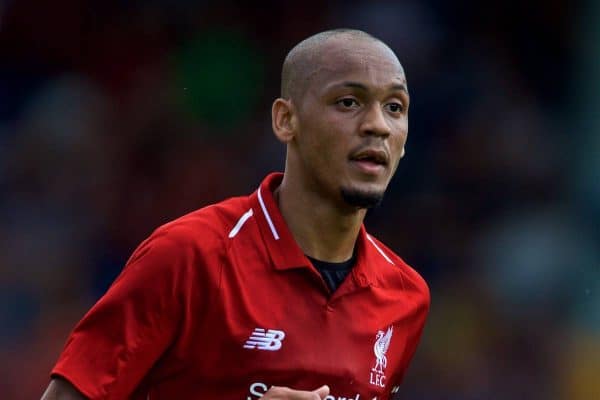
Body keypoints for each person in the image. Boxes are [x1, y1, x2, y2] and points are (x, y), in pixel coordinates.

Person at [41, 28, 429, 400]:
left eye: (395, 107)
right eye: (348, 102)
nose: (377, 125)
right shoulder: (189, 256)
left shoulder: (406, 297)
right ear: (285, 120)